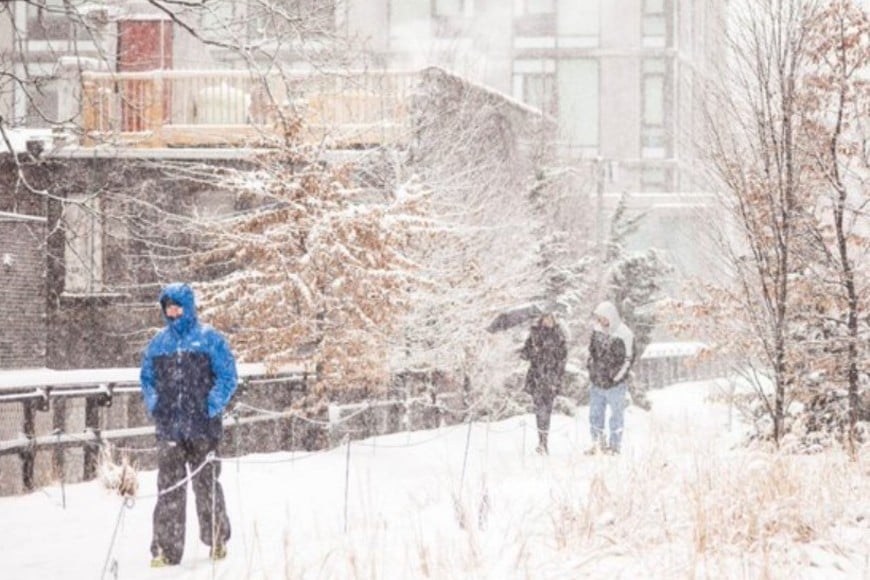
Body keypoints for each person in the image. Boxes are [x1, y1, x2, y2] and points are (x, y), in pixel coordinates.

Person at [140, 283, 238, 567]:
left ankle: (217, 538)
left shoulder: (210, 339)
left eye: (177, 306)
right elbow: (146, 380)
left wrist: (211, 405)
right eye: (168, 307)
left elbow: (228, 376)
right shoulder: (158, 344)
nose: (172, 311)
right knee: (168, 488)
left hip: (203, 429)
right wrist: (155, 403)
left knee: (206, 485)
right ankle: (165, 549)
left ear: (188, 306)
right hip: (169, 428)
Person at [586, 300, 634, 455]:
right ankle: (597, 444)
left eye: (603, 318)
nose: (601, 321)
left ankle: (614, 447)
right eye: (598, 318)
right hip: (597, 383)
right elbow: (591, 353)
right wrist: (592, 370)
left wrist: (615, 378)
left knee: (616, 417)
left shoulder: (624, 334)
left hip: (615, 385)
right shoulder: (597, 331)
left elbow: (628, 359)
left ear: (610, 316)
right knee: (595, 415)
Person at [520, 313, 568, 454]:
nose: (548, 321)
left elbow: (562, 359)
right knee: (540, 410)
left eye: (550, 318)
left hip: (551, 378)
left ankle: (543, 439)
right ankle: (542, 441)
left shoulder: (559, 336)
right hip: (537, 377)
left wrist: (556, 377)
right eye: (545, 318)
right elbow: (525, 354)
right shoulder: (534, 335)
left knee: (547, 410)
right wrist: (533, 350)